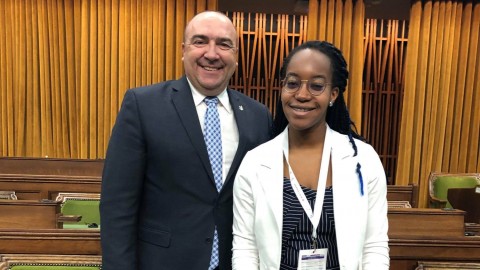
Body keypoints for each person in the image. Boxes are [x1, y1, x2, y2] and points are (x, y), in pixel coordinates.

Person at [100, 11, 272, 270]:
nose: (212, 54)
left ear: (235, 56)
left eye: (224, 44)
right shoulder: (143, 105)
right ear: (183, 50)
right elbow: (118, 206)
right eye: (200, 41)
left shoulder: (259, 116)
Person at [231, 41, 389, 270]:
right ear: (282, 88)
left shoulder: (363, 161)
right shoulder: (255, 163)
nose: (302, 95)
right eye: (292, 83)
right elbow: (245, 247)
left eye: (316, 86)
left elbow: (374, 245)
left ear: (333, 94)